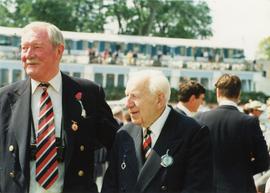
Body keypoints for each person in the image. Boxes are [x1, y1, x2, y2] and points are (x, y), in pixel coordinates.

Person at [0, 21, 119, 193]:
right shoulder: (4, 98)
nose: (28, 54)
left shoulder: (88, 94)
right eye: (24, 48)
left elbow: (117, 145)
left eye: (36, 47)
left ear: (59, 51)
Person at [101, 70, 213, 193]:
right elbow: (110, 185)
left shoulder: (194, 133)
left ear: (159, 100)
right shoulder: (124, 134)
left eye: (134, 96)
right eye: (127, 96)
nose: (128, 104)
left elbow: (197, 188)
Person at [195, 73, 269, 193]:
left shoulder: (200, 118)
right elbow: (264, 162)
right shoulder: (249, 122)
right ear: (239, 94)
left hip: (207, 187)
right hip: (241, 187)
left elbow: (193, 158)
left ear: (218, 92)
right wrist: (240, 171)